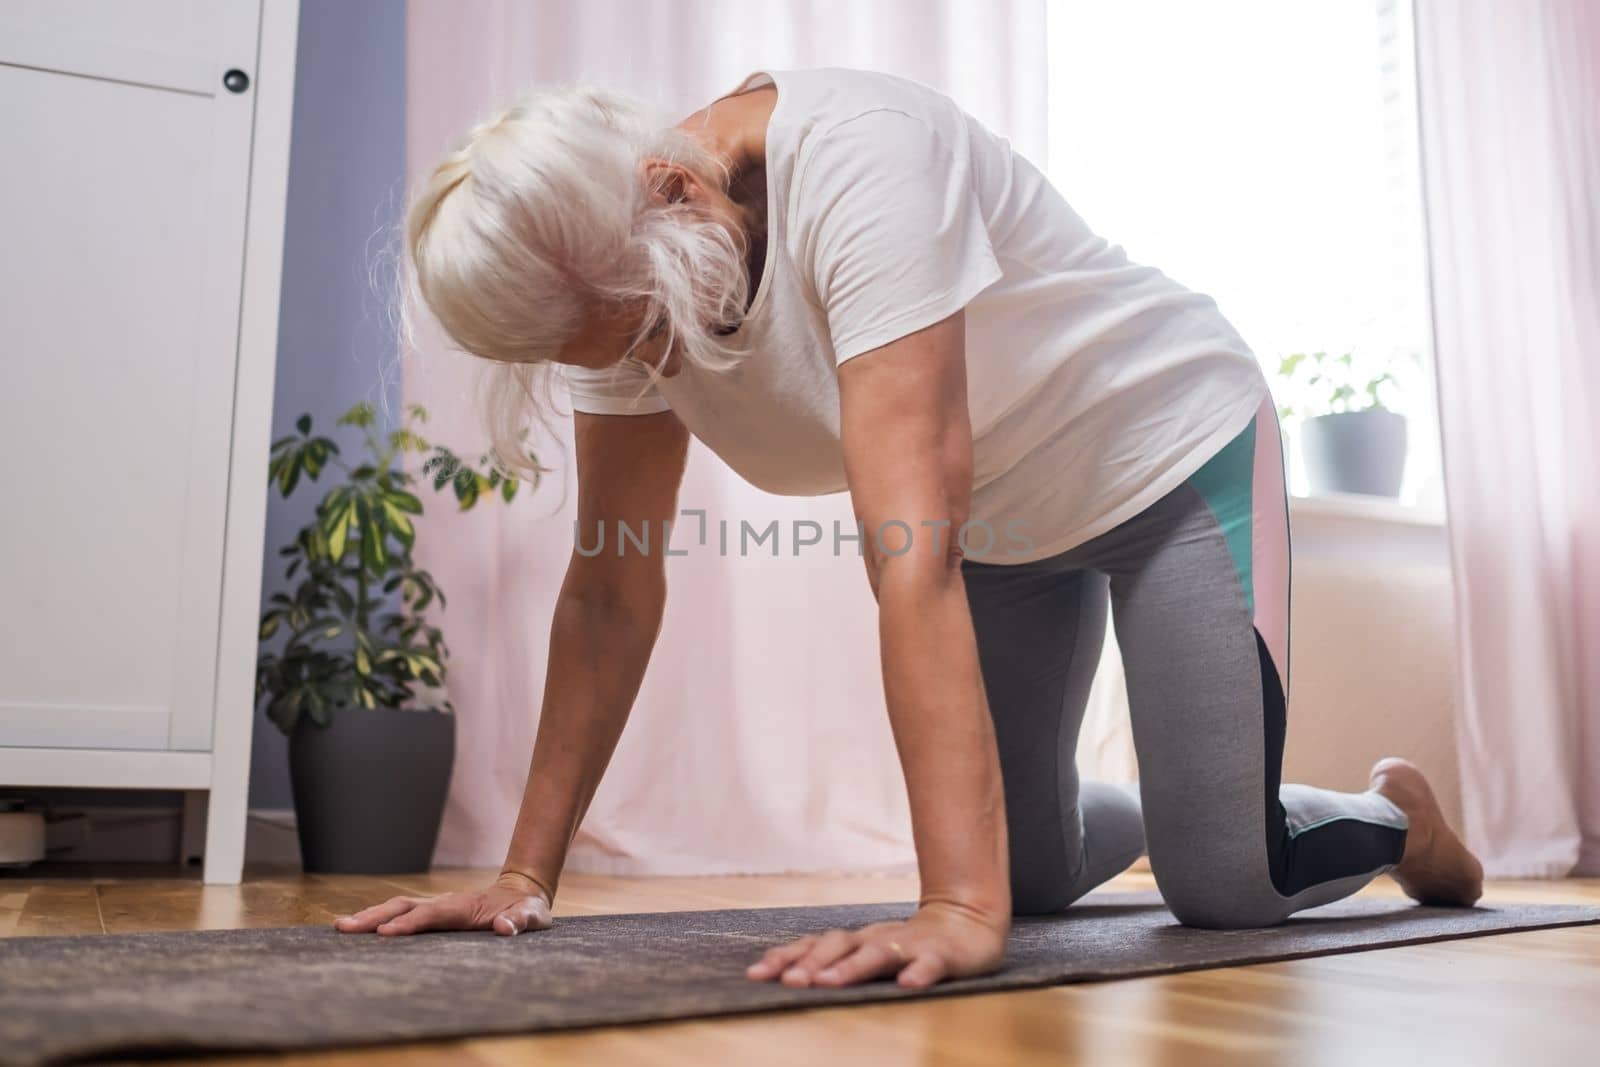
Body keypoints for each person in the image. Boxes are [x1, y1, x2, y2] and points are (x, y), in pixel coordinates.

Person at [335, 67, 1483, 989]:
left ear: (672, 193)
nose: (650, 367)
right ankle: (1189, 797)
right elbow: (607, 588)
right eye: (615, 352)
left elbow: (909, 555)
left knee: (1227, 879)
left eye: (642, 332)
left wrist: (956, 908)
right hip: (1003, 520)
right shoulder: (608, 266)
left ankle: (1394, 817)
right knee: (1029, 870)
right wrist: (522, 870)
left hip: (1167, 452)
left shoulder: (859, 158)